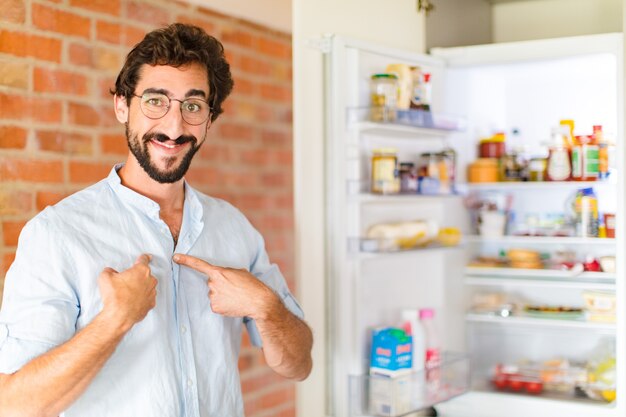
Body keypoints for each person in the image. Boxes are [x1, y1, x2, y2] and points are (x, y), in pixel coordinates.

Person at [0, 23, 313, 417]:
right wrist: (114, 320)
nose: (174, 125)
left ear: (209, 121)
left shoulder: (235, 228)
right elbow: (14, 404)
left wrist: (268, 308)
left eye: (193, 106)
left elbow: (299, 365)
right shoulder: (56, 234)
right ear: (121, 106)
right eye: (155, 101)